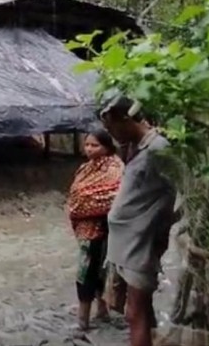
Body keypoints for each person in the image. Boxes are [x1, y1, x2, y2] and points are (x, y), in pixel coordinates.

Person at [100, 95, 179, 346]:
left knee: (136, 313)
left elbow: (175, 195)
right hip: (126, 245)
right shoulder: (137, 146)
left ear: (126, 119)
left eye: (111, 127)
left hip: (140, 244)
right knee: (139, 312)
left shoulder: (159, 149)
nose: (110, 134)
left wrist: (159, 233)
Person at [66, 129, 124, 331]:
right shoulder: (85, 168)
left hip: (104, 228)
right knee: (90, 271)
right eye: (87, 144)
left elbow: (113, 196)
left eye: (95, 145)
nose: (89, 149)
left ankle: (92, 315)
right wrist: (80, 202)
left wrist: (81, 201)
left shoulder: (115, 168)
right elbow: (76, 196)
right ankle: (92, 314)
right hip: (86, 229)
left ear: (107, 147)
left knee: (95, 272)